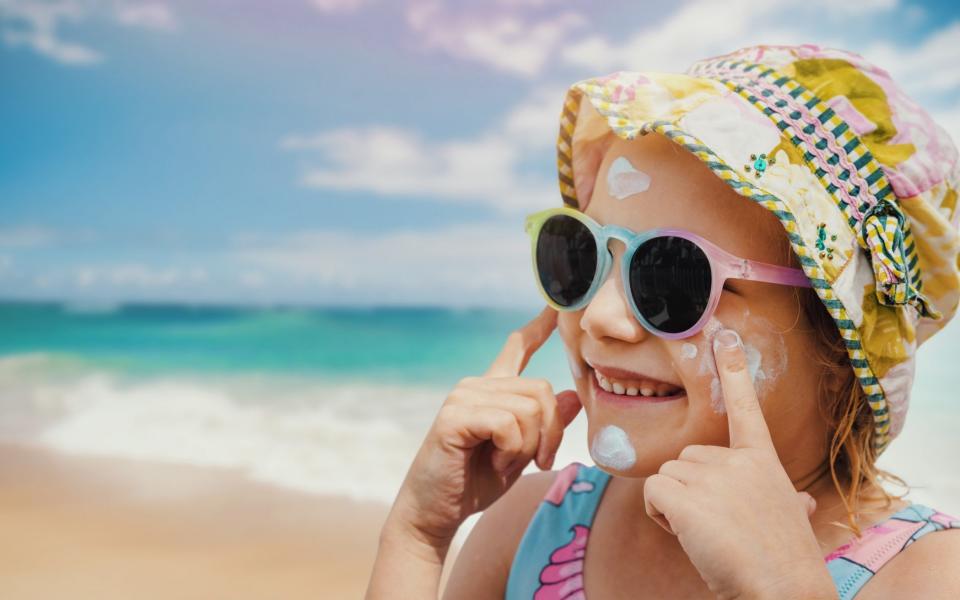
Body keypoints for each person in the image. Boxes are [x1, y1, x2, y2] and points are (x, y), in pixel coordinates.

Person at [365, 44, 960, 599]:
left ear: (841, 347)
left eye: (673, 277)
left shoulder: (927, 575)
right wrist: (419, 536)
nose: (601, 317)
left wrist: (787, 586)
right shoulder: (529, 523)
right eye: (580, 254)